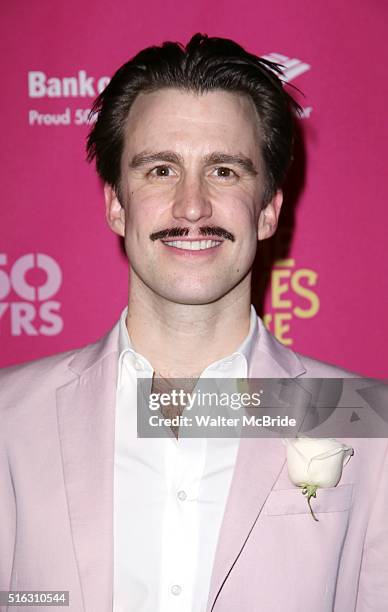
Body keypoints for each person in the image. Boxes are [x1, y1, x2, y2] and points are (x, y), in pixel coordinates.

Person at [0, 33, 387, 612]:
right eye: (160, 169)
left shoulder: (364, 421)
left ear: (268, 210)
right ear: (115, 204)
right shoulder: (9, 418)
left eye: (224, 171)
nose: (191, 206)